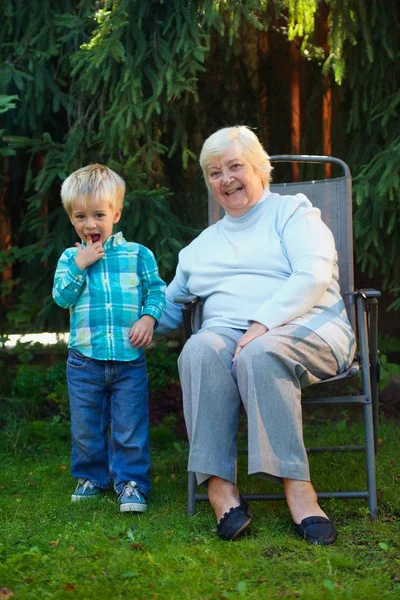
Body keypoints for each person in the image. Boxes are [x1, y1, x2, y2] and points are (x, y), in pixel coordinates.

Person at [157, 126, 356, 544]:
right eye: (215, 172)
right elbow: (167, 306)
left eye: (235, 167)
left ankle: (299, 490)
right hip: (231, 334)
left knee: (259, 353)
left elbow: (313, 275)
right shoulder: (201, 248)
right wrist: (127, 320)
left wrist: (262, 323)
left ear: (259, 168)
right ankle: (219, 488)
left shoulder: (294, 213)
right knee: (199, 349)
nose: (226, 179)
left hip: (307, 324)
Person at [53, 164, 166, 512]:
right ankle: (91, 476)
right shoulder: (71, 257)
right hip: (84, 360)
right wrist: (80, 265)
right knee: (86, 425)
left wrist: (148, 318)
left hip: (128, 361)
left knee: (129, 426)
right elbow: (61, 297)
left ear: (115, 213)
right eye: (80, 217)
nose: (90, 225)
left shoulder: (138, 255)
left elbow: (156, 293)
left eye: (99, 215)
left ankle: (131, 482)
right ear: (72, 219)